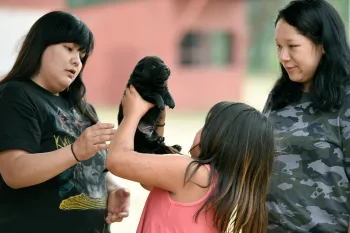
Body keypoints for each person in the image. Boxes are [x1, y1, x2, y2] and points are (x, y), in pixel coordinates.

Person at [0, 11, 130, 233]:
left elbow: (89, 167)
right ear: (40, 46)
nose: (76, 60)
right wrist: (75, 150)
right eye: (68, 48)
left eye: (81, 54)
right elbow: (14, 171)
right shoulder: (16, 95)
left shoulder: (83, 108)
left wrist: (113, 189)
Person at [105, 85, 275, 233]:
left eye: (206, 125)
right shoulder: (221, 183)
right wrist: (158, 126)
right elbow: (149, 181)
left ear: (219, 137)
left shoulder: (192, 173)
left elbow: (117, 160)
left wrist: (132, 113)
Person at [263, 0, 350, 232]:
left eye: (292, 46)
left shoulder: (346, 101)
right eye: (278, 46)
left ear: (323, 44)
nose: (283, 56)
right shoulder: (279, 96)